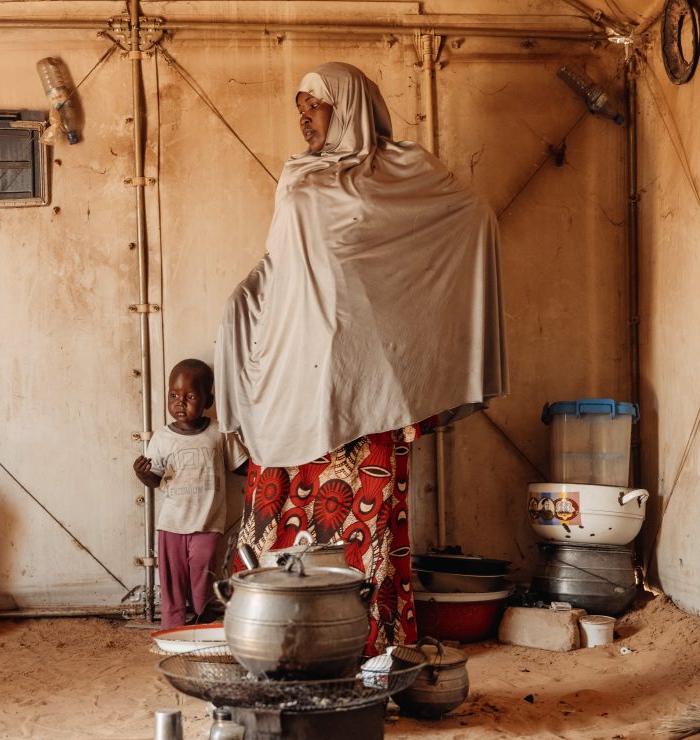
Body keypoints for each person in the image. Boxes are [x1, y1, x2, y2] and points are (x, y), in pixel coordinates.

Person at [215, 62, 507, 652]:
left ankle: (369, 650)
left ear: (347, 106)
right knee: (285, 518)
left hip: (362, 380)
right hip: (294, 374)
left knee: (364, 527)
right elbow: (282, 262)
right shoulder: (297, 176)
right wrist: (245, 293)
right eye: (299, 108)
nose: (304, 118)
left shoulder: (401, 171)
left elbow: (470, 216)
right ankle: (286, 642)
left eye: (314, 106)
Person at [134, 359, 248, 628]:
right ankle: (172, 626)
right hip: (172, 523)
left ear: (208, 400)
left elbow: (241, 466)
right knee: (172, 578)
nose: (180, 402)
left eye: (190, 396)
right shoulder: (162, 437)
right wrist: (142, 474)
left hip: (208, 523)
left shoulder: (219, 432)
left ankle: (201, 615)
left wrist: (267, 464)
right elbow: (154, 479)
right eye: (173, 395)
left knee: (203, 571)